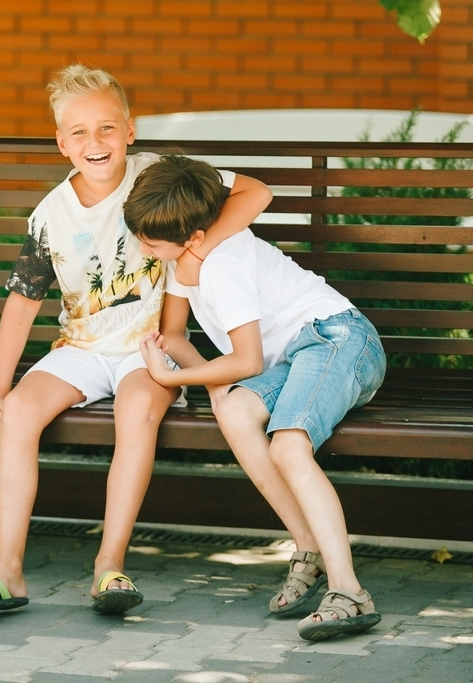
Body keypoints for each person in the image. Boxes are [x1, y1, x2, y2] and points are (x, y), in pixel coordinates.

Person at [0, 66, 272, 617]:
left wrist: (198, 247)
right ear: (60, 143)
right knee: (22, 412)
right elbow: (23, 302)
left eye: (106, 128)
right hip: (79, 345)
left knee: (136, 410)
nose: (93, 142)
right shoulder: (50, 216)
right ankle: (7, 569)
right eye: (78, 132)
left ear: (130, 130)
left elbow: (255, 191)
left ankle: (110, 564)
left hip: (150, 346)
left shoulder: (159, 175)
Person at [123, 154, 387, 641]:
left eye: (150, 242)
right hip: (292, 360)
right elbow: (176, 332)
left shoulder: (221, 265)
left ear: (195, 237)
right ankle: (306, 543)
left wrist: (171, 378)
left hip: (338, 340)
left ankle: (348, 591)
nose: (142, 247)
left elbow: (246, 360)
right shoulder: (188, 257)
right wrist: (209, 380)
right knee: (234, 409)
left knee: (288, 445)